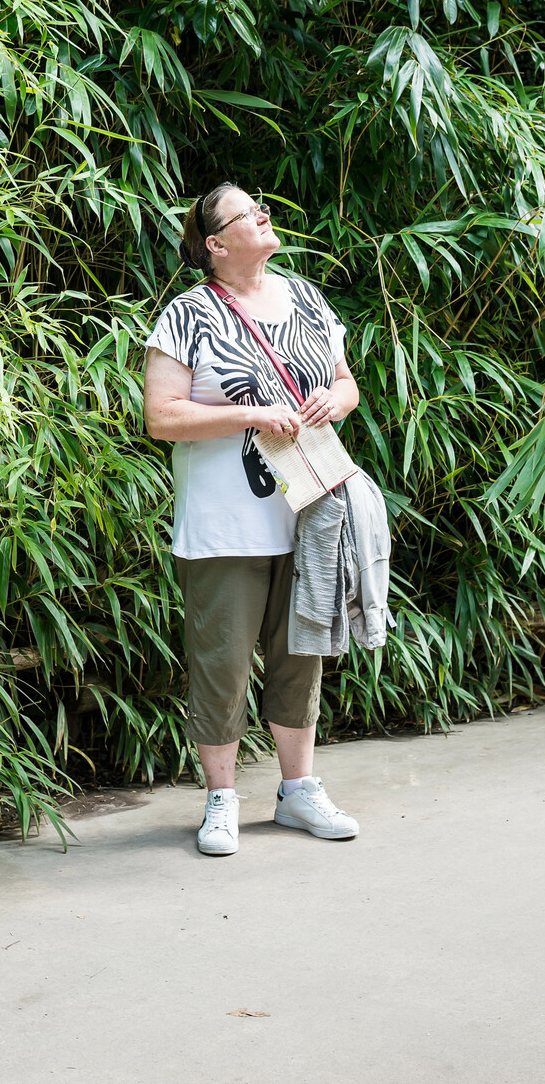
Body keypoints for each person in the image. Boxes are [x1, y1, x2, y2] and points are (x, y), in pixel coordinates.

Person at [142, 183, 364, 855]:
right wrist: (249, 414)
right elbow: (162, 417)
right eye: (247, 212)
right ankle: (221, 799)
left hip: (307, 511)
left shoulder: (306, 299)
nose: (265, 215)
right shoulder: (188, 314)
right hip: (224, 524)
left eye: (263, 206)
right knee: (223, 660)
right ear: (215, 242)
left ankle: (299, 791)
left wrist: (335, 398)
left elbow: (348, 382)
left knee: (302, 652)